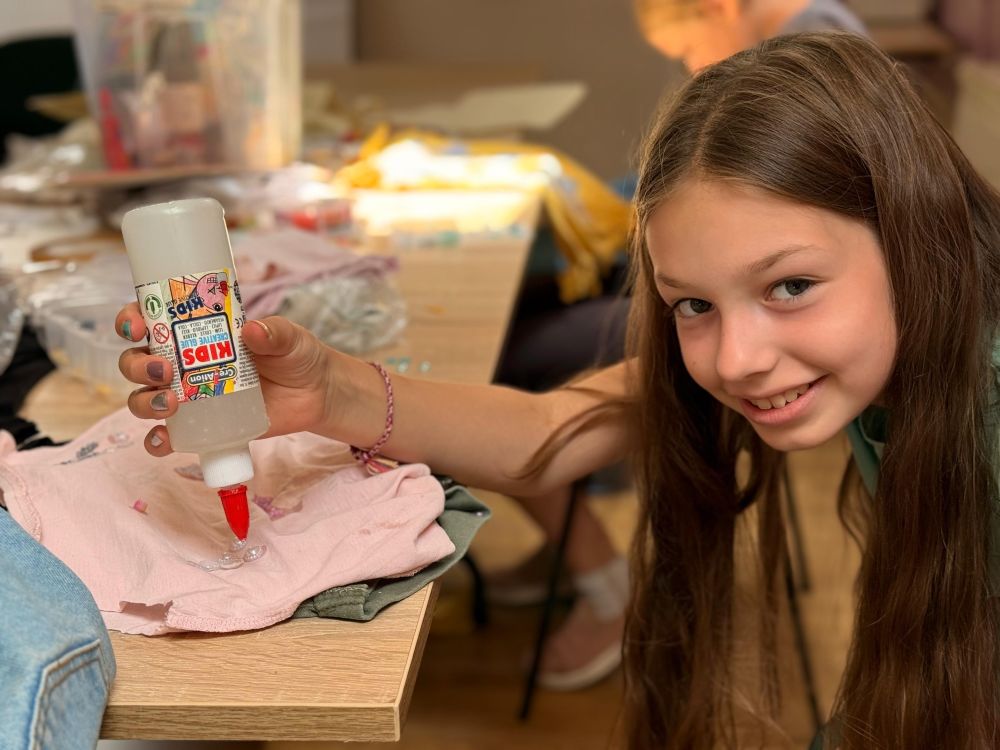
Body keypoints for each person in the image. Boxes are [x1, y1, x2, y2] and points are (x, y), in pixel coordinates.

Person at [118, 31, 1000, 747]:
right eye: (693, 304)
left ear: (912, 228)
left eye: (791, 286)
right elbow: (543, 434)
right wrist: (326, 392)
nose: (737, 360)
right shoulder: (897, 336)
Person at [487, 0, 869, 691]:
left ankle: (597, 575)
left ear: (718, 8)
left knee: (505, 363)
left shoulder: (806, 63)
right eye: (690, 306)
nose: (691, 66)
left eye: (686, 45)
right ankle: (569, 544)